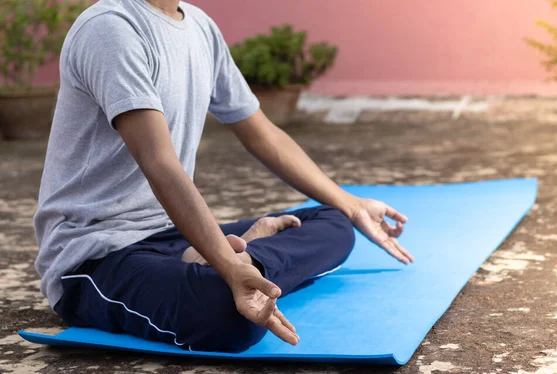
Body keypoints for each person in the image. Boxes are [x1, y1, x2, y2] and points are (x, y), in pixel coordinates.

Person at [34, 0, 414, 353]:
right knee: (232, 315)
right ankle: (233, 266)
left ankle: (224, 261)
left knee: (333, 220)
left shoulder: (200, 27)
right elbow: (159, 162)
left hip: (170, 231)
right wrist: (229, 265)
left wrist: (352, 204)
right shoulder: (110, 29)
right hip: (95, 256)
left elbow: (262, 133)